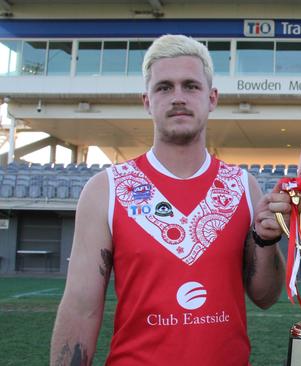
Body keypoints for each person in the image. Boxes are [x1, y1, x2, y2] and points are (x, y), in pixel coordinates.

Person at [50, 34, 285, 366]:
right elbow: (81, 307)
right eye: (164, 87)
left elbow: (265, 296)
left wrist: (265, 240)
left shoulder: (243, 187)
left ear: (212, 98)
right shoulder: (106, 189)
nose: (178, 97)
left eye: (190, 86)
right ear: (147, 100)